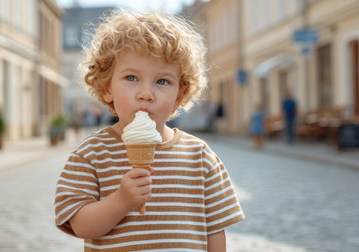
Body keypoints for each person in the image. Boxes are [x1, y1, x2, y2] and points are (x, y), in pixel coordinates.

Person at [54, 9, 244, 251]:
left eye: (162, 81)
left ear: (180, 95)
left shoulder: (201, 157)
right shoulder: (91, 154)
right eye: (131, 77)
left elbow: (215, 230)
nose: (146, 93)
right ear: (106, 88)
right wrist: (120, 201)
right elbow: (80, 225)